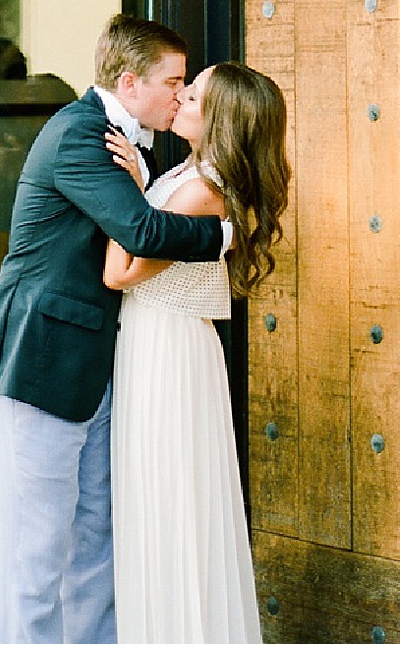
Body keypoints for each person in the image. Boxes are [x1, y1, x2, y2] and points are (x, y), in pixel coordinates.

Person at [0, 14, 234, 645]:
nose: (181, 92)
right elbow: (140, 233)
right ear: (131, 80)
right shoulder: (82, 135)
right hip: (36, 363)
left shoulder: (136, 144)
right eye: (175, 80)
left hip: (94, 369)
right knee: (36, 557)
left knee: (95, 545)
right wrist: (226, 234)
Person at [103, 61, 291, 643]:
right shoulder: (185, 173)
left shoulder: (200, 193)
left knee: (172, 498)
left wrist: (127, 197)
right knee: (159, 496)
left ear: (222, 116)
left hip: (168, 350)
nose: (181, 95)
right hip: (158, 340)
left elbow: (118, 271)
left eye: (196, 92)